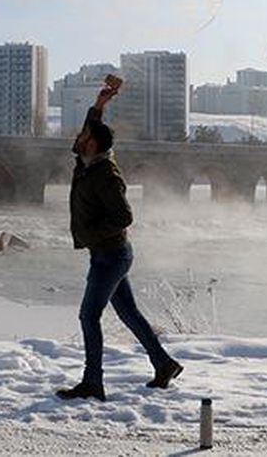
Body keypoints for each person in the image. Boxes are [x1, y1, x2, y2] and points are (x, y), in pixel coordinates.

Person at [56, 82, 183, 401]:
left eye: (84, 136)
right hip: (106, 254)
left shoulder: (105, 175)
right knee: (129, 314)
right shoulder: (85, 163)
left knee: (88, 316)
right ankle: (164, 363)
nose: (78, 138)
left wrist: (91, 234)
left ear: (93, 144)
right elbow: (89, 129)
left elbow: (124, 217)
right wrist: (100, 104)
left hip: (111, 256)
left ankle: (93, 383)